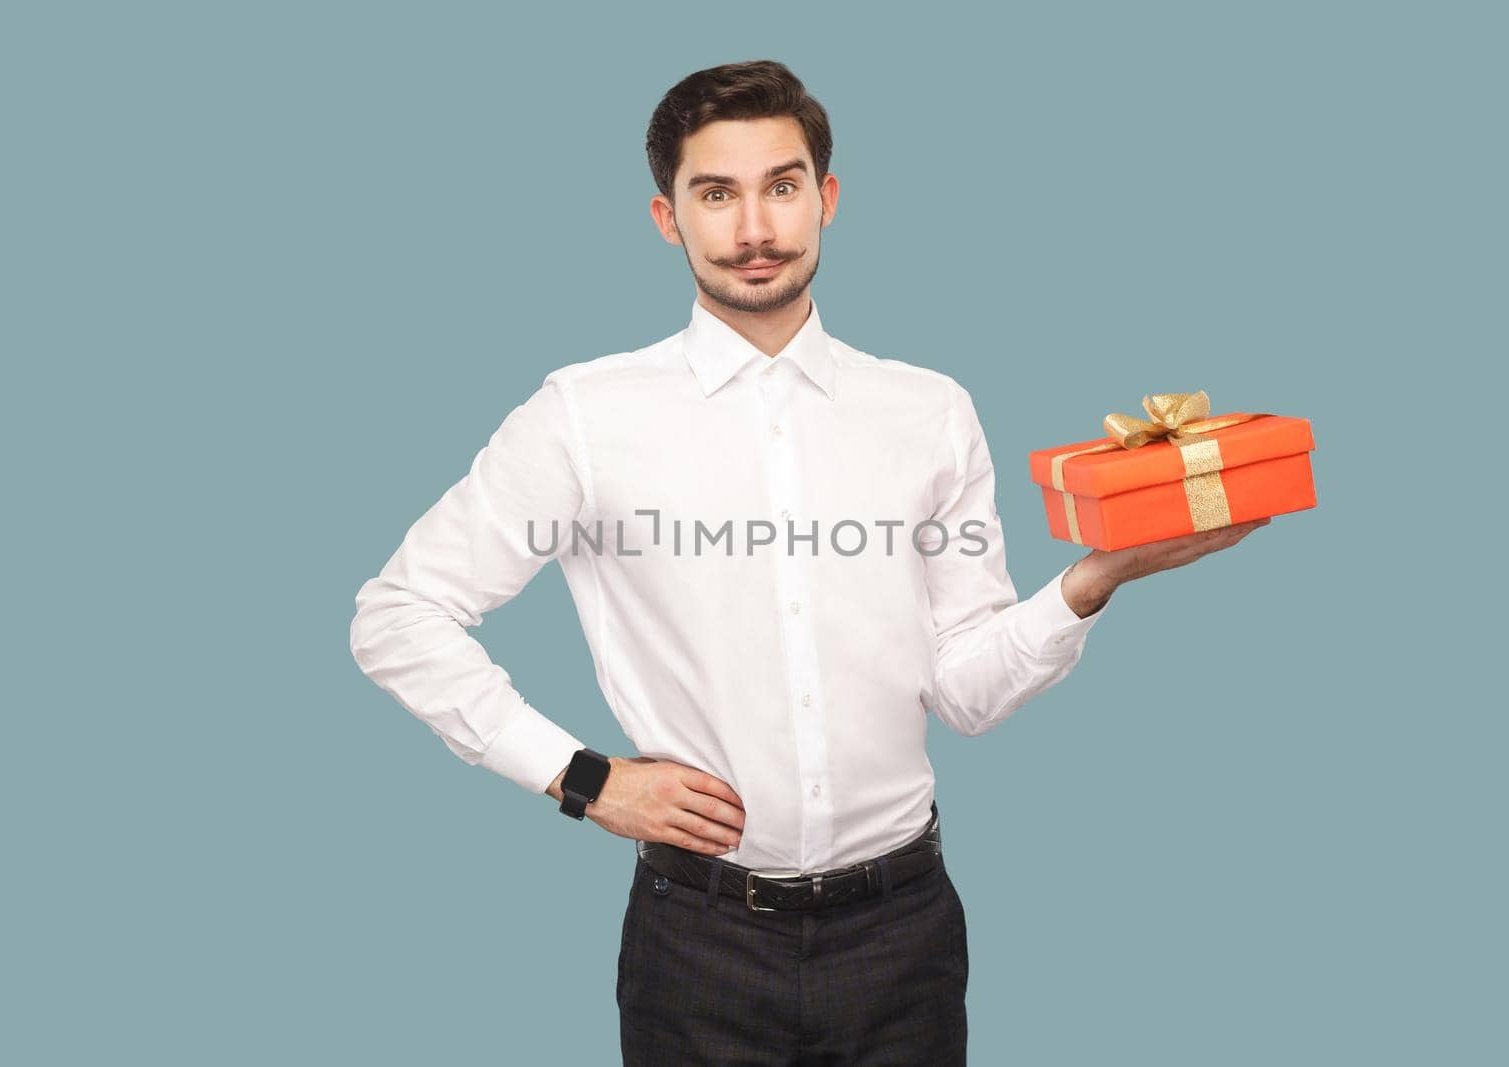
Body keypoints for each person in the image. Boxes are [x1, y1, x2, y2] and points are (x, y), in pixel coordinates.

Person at [348, 58, 1270, 1066]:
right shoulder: (581, 417)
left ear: (825, 198)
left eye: (781, 186)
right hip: (698, 938)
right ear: (667, 216)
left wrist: (1090, 582)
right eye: (716, 193)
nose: (754, 228)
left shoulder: (929, 412)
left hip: (902, 930)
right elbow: (399, 614)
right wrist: (580, 777)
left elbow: (963, 690)